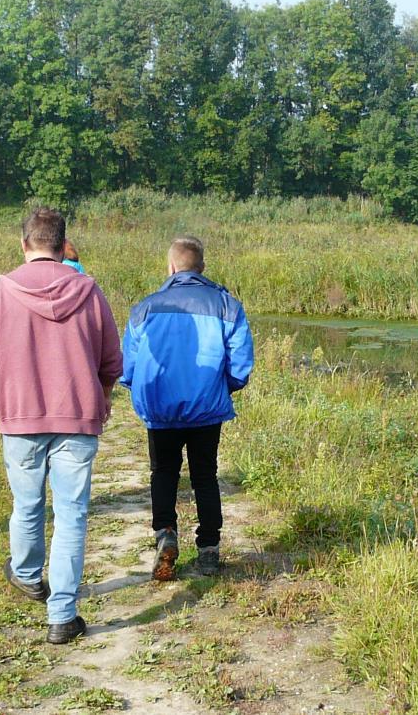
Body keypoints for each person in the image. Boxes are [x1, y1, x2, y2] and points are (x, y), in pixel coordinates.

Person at [0, 207, 122, 644]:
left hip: (20, 418)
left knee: (28, 504)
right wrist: (103, 395)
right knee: (72, 515)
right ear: (61, 244)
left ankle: (29, 576)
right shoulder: (90, 291)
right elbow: (111, 360)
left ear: (24, 244)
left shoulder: (0, 291)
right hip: (77, 416)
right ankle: (62, 615)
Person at [120, 235, 254, 581]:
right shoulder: (227, 306)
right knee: (205, 476)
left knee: (163, 473)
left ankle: (165, 535)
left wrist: (144, 391)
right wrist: (221, 388)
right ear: (202, 267)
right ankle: (208, 549)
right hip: (206, 409)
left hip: (161, 410)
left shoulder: (146, 307)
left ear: (171, 267)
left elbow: (129, 367)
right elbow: (240, 366)